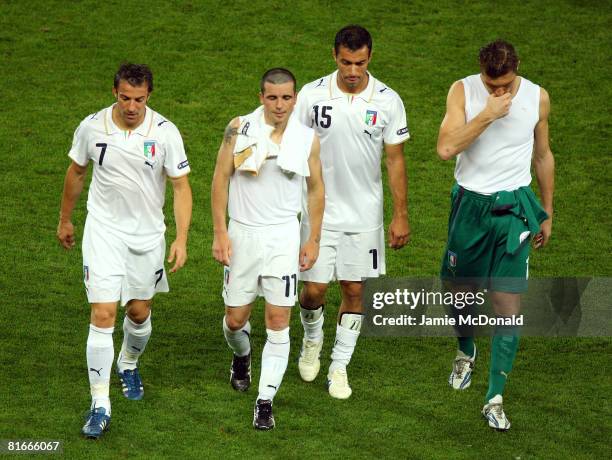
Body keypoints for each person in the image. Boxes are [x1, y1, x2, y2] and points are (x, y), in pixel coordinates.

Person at [56, 63, 193, 439]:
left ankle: (128, 362)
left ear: (150, 95)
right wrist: (66, 220)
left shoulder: (165, 133)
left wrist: (181, 238)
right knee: (102, 313)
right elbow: (77, 172)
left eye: (139, 99)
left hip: (147, 237)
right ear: (114, 91)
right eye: (124, 98)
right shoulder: (92, 127)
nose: (131, 107)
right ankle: (100, 404)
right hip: (103, 232)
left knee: (138, 311)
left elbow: (181, 186)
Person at [436, 40, 555, 431]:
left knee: (507, 305)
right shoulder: (462, 90)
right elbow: (446, 147)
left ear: (516, 70)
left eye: (504, 85)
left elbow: (542, 155)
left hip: (514, 214)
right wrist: (486, 114)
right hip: (470, 206)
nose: (499, 92)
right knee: (456, 290)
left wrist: (546, 211)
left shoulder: (537, 97)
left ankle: (494, 398)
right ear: (481, 73)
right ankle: (466, 348)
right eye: (491, 85)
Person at [294, 25, 410, 399]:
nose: (353, 70)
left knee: (354, 288)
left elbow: (395, 160)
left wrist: (400, 214)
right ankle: (312, 338)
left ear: (370, 58)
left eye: (360, 62)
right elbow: (291, 153)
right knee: (312, 290)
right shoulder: (311, 96)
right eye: (346, 62)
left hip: (364, 214)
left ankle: (339, 366)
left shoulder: (388, 101)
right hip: (317, 212)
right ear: (334, 56)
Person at [211, 68, 324, 430]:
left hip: (282, 238)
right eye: (272, 97)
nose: (280, 104)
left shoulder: (307, 138)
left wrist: (313, 238)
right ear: (261, 96)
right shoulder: (239, 128)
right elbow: (220, 178)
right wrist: (219, 233)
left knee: (278, 322)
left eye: (287, 97)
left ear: (295, 98)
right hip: (242, 234)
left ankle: (264, 401)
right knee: (234, 320)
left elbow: (316, 189)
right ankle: (241, 357)